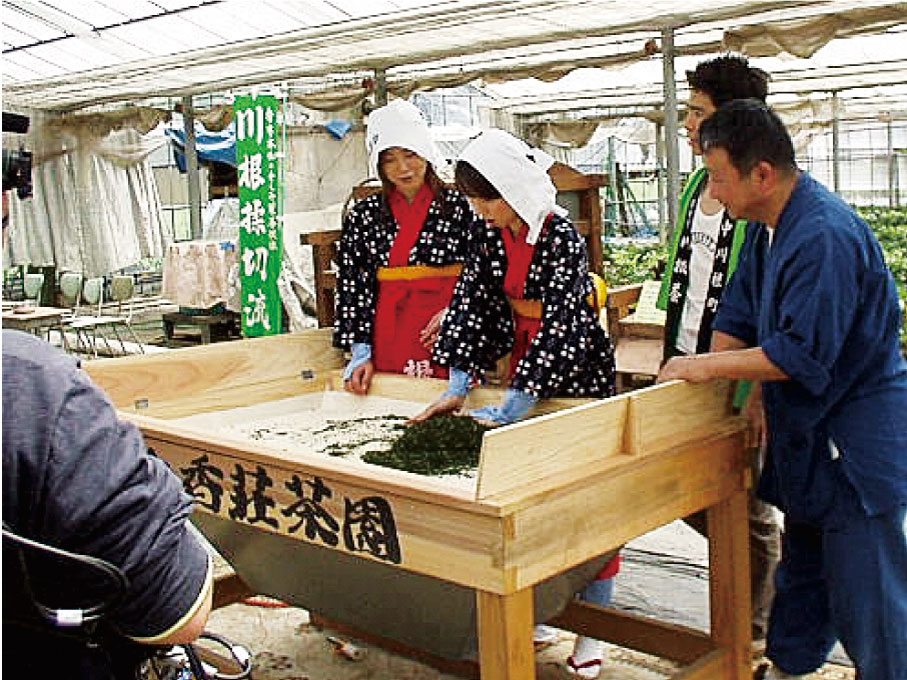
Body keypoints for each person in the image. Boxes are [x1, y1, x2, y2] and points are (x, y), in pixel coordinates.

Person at [659, 100, 907, 680]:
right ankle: (790, 668)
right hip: (809, 441)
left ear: (761, 174)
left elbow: (802, 353)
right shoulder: (767, 229)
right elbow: (737, 317)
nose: (713, 194)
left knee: (867, 592)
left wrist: (702, 371)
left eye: (718, 178)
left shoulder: (821, 235)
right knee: (802, 574)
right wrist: (716, 395)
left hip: (854, 446)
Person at [414, 129, 618, 678]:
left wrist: (516, 404)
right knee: (530, 502)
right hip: (523, 358)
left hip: (573, 364)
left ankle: (592, 630)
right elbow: (474, 303)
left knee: (587, 499)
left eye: (487, 200)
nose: (480, 212)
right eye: (475, 202)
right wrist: (458, 382)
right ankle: (543, 606)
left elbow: (564, 325)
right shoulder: (488, 236)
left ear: (512, 189)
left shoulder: (560, 237)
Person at [656, 53, 780, 646]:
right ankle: (743, 600)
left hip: (732, 369)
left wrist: (752, 387)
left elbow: (762, 304)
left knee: (740, 495)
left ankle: (751, 626)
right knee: (689, 488)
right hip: (690, 359)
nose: (686, 122)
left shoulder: (757, 198)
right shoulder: (699, 189)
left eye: (697, 112)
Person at [334, 98, 496, 395]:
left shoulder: (463, 207)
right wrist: (361, 350)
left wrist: (459, 314)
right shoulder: (364, 215)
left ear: (426, 151)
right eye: (389, 159)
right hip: (390, 328)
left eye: (410, 154)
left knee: (455, 407)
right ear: (378, 164)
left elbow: (485, 272)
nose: (402, 168)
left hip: (447, 325)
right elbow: (354, 285)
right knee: (396, 404)